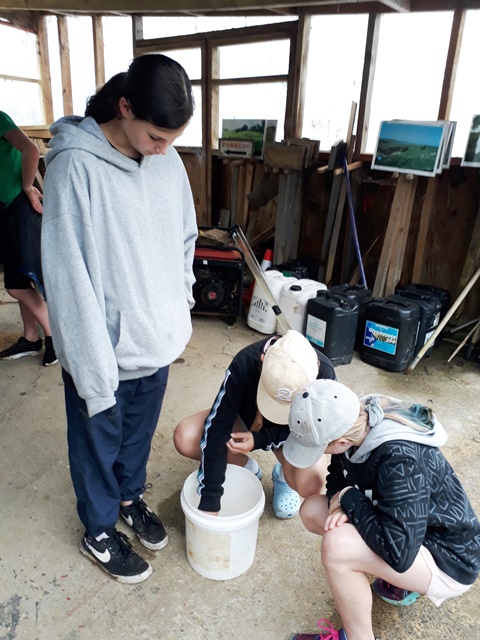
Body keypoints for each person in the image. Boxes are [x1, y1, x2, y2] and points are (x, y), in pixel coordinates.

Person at [41, 54, 197, 584]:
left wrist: (179, 303)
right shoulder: (74, 167)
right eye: (156, 136)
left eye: (172, 140)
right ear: (125, 107)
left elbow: (184, 235)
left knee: (136, 437)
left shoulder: (166, 160)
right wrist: (91, 367)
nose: (163, 149)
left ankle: (130, 499)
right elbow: (67, 276)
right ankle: (99, 529)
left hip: (157, 339)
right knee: (96, 445)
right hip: (102, 348)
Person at [284, 379, 480, 640]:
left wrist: (350, 499)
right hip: (408, 530)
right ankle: (397, 584)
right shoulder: (353, 422)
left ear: (342, 442)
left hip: (446, 558)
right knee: (312, 510)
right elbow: (337, 478)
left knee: (338, 547)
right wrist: (343, 500)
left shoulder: (399, 459)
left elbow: (398, 554)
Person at [174, 329, 336, 518]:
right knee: (186, 437)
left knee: (313, 481)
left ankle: (284, 476)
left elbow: (315, 434)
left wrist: (261, 439)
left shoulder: (325, 374)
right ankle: (246, 468)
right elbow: (218, 427)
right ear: (262, 360)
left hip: (293, 435)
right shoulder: (245, 362)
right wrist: (210, 499)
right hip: (245, 422)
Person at [0, 111, 57, 366]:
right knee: (22, 278)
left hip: (19, 207)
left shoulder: (0, 119)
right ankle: (31, 337)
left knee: (17, 285)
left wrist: (27, 185)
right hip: (6, 210)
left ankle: (54, 337)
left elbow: (31, 151)